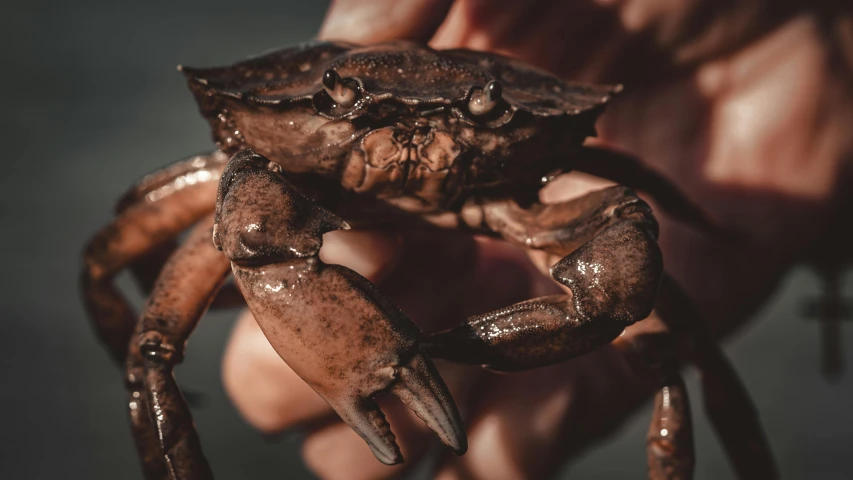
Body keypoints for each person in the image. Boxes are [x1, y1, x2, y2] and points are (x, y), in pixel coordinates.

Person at [221, 1, 853, 478]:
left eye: (481, 115)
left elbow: (619, 266)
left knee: (670, 352)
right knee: (155, 350)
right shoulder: (255, 185)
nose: (416, 144)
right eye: (350, 106)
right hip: (301, 200)